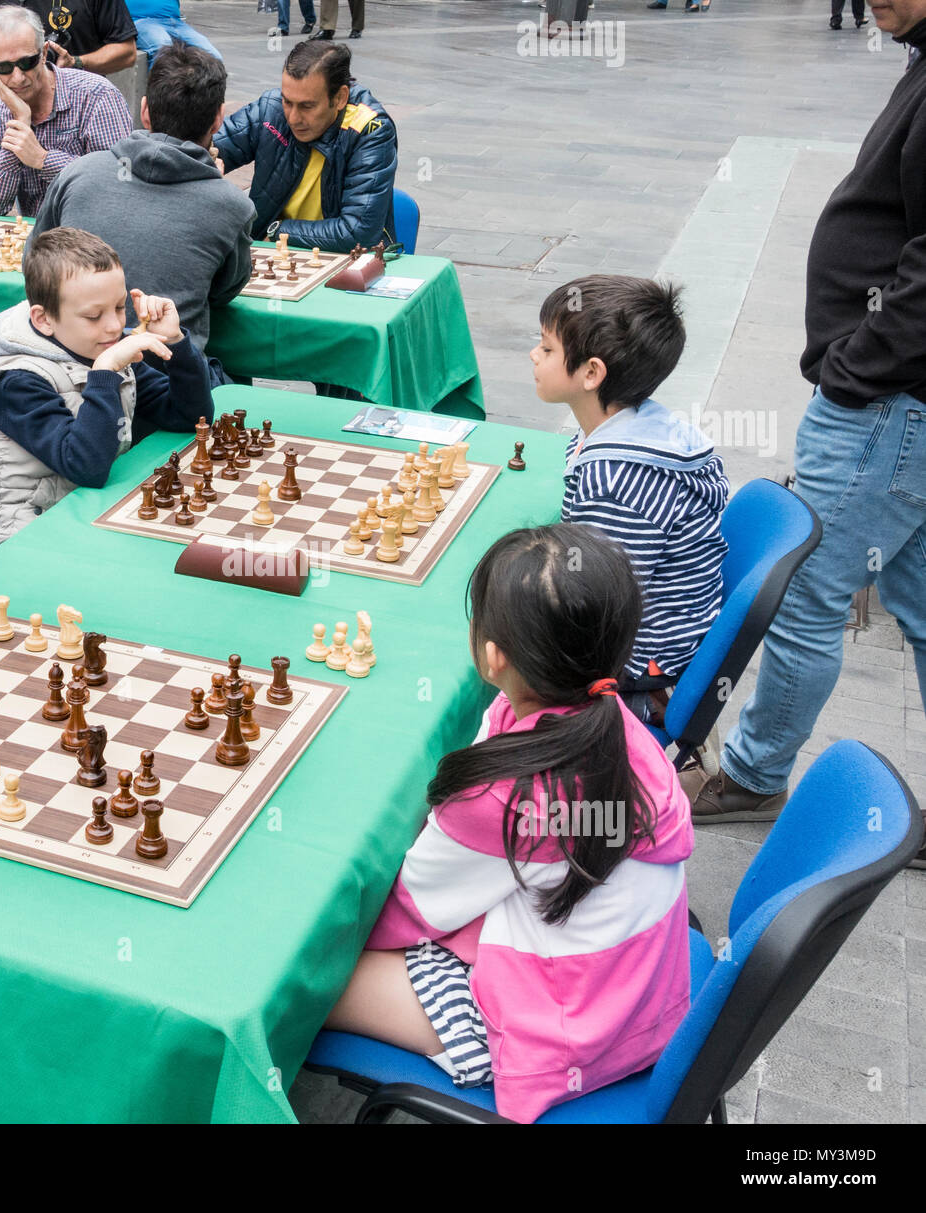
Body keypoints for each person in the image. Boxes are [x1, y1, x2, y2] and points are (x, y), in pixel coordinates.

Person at [326, 525, 694, 1124]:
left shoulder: (504, 796)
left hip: (558, 1034)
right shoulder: (620, 727)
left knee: (310, 972)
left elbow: (401, 911)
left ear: (492, 655)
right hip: (640, 995)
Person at [688, 0, 926, 855]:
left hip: (887, 406)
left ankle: (754, 775)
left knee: (808, 597)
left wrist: (856, 370)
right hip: (899, 403)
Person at [530, 275, 729, 726]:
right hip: (658, 639)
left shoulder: (616, 480)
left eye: (546, 348)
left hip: (638, 672)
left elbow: (598, 604)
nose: (533, 356)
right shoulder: (632, 422)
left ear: (591, 373)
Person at [0, 227, 213, 558]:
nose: (114, 326)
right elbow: (86, 466)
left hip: (89, 511)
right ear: (43, 320)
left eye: (119, 307)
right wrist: (104, 373)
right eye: (94, 316)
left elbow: (189, 417)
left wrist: (177, 343)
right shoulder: (14, 381)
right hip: (23, 545)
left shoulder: (101, 346)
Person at [29, 44, 253, 358]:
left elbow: (34, 258)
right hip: (164, 375)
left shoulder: (77, 171)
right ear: (218, 119)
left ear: (144, 111)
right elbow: (223, 292)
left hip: (69, 359)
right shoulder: (233, 204)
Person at [213, 41, 396, 253]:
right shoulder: (270, 109)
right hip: (273, 253)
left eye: (307, 106)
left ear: (340, 98)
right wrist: (201, 165)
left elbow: (358, 233)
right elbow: (198, 149)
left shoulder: (369, 129)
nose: (293, 118)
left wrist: (278, 230)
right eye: (287, 102)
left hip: (345, 260)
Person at [0, 4, 131, 218]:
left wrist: (43, 159)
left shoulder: (96, 95)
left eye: (26, 62)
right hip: (39, 243)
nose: (18, 77)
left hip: (93, 238)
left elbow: (122, 180)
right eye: (4, 68)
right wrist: (19, 123)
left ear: (44, 53)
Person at [0, 0, 137, 76]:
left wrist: (75, 62)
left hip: (80, 104)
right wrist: (19, 59)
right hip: (18, 105)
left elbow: (127, 52)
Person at [123, 0, 222, 66]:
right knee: (164, 49)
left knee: (214, 56)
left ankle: (204, 97)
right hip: (142, 20)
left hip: (176, 22)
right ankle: (159, 96)